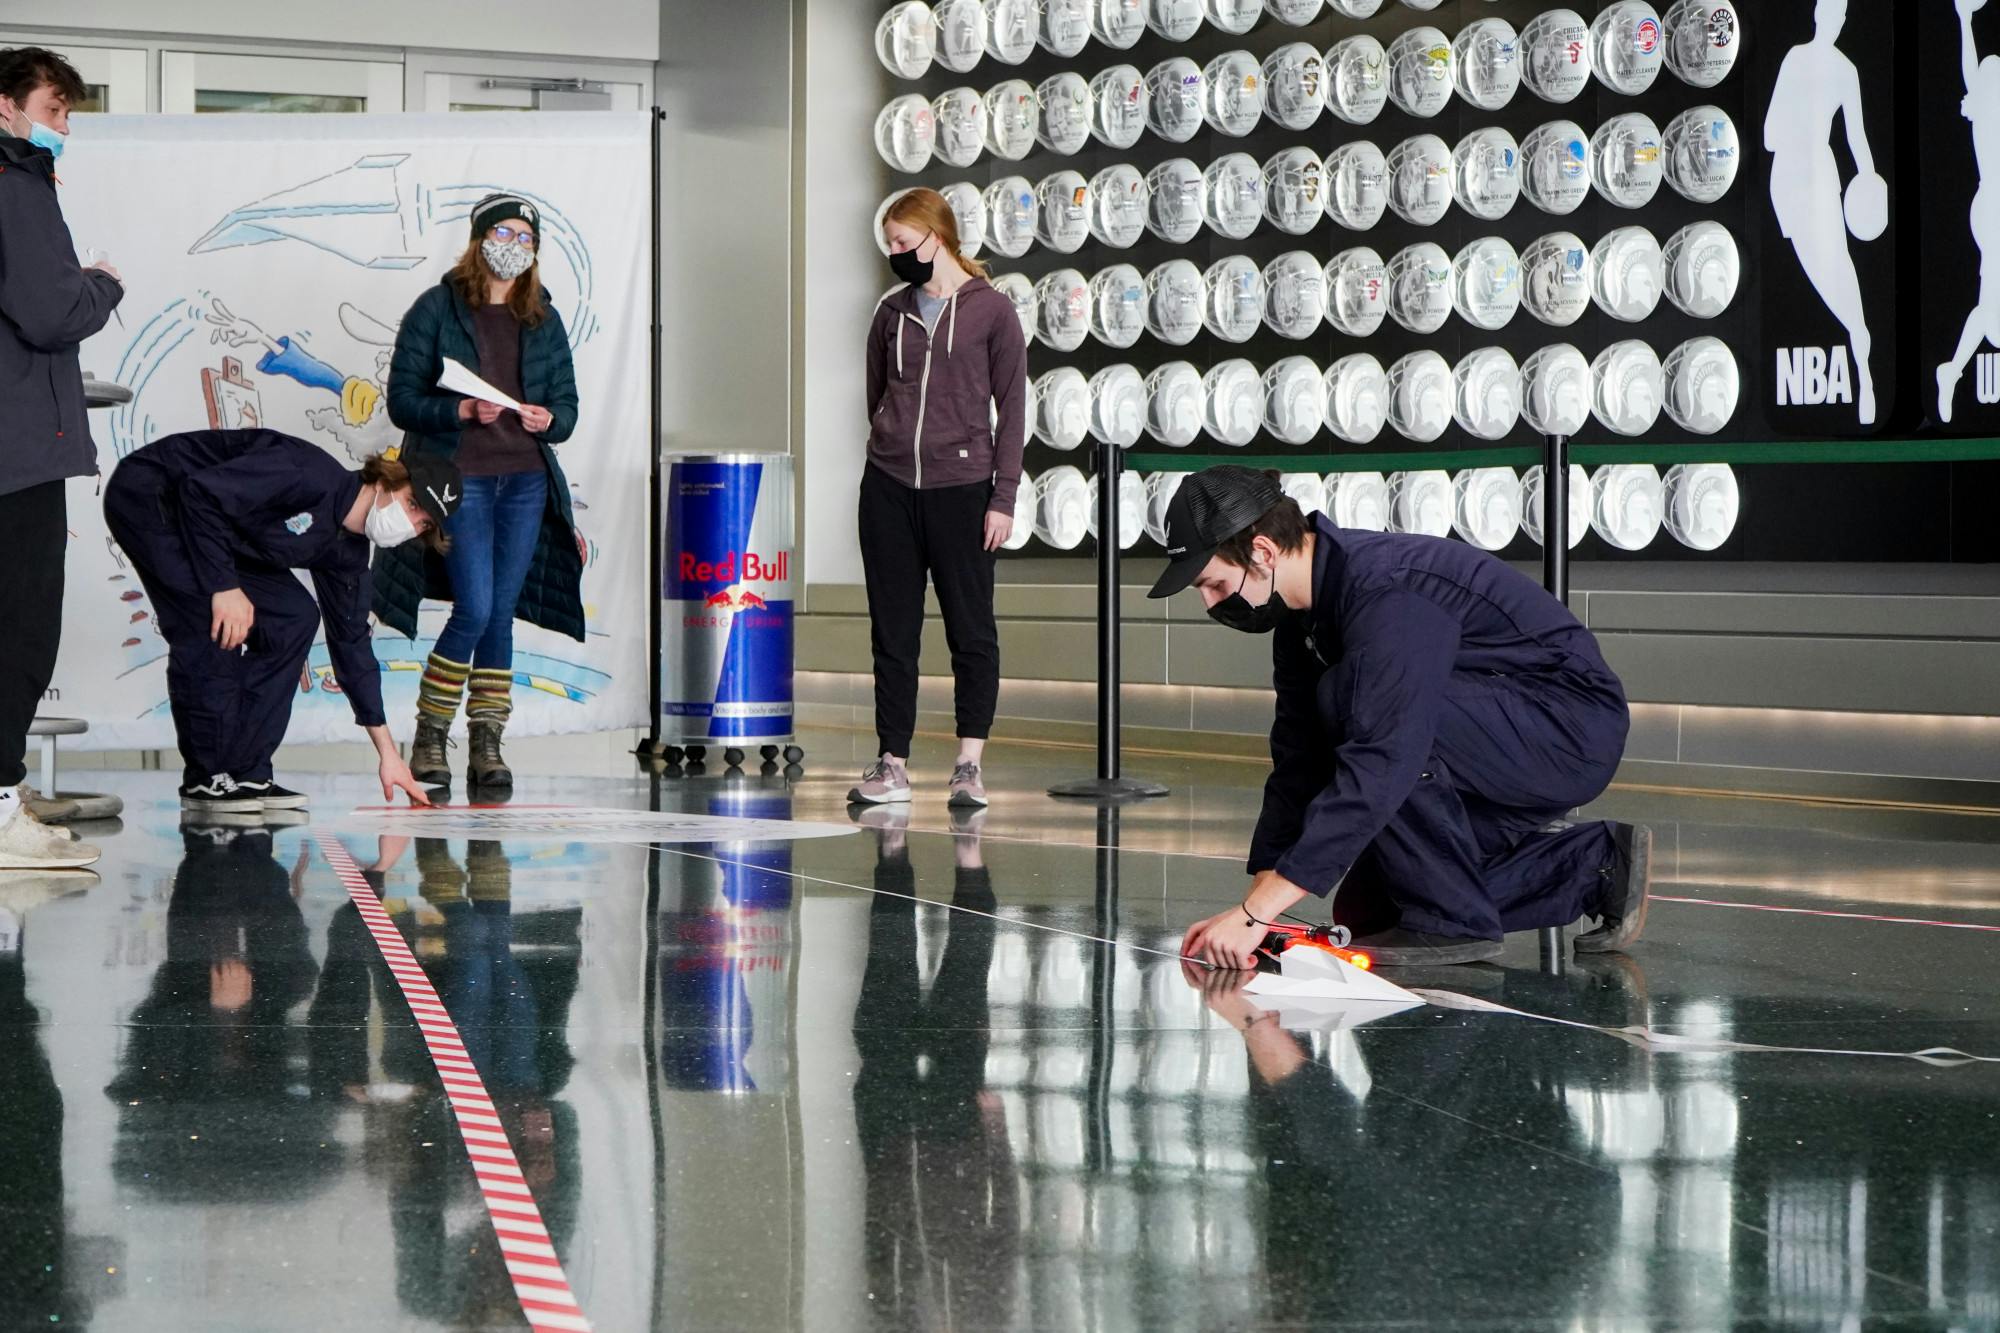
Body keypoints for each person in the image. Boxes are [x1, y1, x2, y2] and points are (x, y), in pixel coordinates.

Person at [1165, 467, 1651, 968]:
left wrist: (1256, 914)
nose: (1209, 603)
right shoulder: (1301, 622)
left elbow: (1387, 754)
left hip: (1566, 731)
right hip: (1484, 734)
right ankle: (1596, 866)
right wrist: (1255, 908)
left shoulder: (1386, 591)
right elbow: (1297, 761)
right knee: (1372, 912)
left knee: (1352, 701)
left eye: (1214, 584)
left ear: (1263, 553)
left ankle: (1454, 923)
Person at [101, 429, 449, 815]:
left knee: (293, 618)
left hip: (214, 526)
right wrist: (224, 587)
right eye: (413, 503)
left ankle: (246, 771)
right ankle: (208, 777)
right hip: (155, 494)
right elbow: (200, 493)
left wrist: (388, 754)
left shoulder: (347, 555)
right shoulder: (306, 473)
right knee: (212, 620)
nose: (411, 522)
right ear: (386, 480)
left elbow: (352, 645)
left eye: (423, 524)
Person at [379, 192, 583, 793]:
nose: (513, 247)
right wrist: (462, 408)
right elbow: (402, 402)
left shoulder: (542, 315)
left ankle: (487, 741)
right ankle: (431, 735)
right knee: (476, 607)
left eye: (525, 238)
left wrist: (553, 421)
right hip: (457, 481)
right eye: (504, 234)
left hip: (524, 481)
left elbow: (568, 408)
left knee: (501, 615)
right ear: (478, 239)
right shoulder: (435, 308)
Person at [850, 187, 1028, 810]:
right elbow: (877, 395)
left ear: (938, 237)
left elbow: (1013, 411)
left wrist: (1002, 498)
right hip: (889, 489)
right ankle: (892, 762)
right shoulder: (892, 312)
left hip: (964, 490)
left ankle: (968, 765)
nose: (896, 254)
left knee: (970, 631)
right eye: (890, 245)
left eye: (904, 242)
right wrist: (891, 448)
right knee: (892, 631)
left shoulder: (992, 312)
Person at [0, 47, 123, 870]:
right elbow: (49, 312)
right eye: (54, 109)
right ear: (5, 105)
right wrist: (102, 284)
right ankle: (4, 813)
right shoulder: (16, 184)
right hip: (15, 449)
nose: (62, 127)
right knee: (21, 625)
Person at [1764, 0, 1881, 424]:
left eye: (1839, 14)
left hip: (1818, 173)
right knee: (1820, 268)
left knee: (1836, 265)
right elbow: (1769, 134)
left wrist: (1869, 182)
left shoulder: (1846, 71)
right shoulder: (1796, 58)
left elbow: (1858, 139)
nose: (1833, 20)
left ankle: (1862, 356)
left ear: (1843, 21)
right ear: (1819, 15)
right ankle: (1858, 341)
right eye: (1829, 12)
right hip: (1791, 178)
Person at [1939, 0, 2000, 424]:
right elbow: (1973, 70)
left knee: (1988, 312)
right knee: (1990, 315)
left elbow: (1970, 68)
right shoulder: (1986, 112)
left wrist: (1965, 20)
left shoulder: (1981, 106)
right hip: (1993, 206)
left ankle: (1952, 370)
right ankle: (1951, 371)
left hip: (1988, 206)